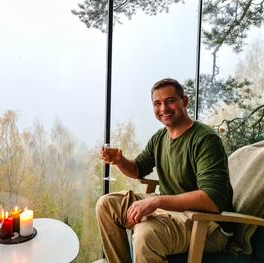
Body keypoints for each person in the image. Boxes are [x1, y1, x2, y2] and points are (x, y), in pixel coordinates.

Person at [96, 78, 234, 263]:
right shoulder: (160, 138)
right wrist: (120, 161)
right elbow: (138, 169)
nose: (163, 109)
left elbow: (212, 201)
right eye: (157, 103)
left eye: (170, 101)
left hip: (207, 224)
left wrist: (157, 201)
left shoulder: (205, 140)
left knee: (145, 236)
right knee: (106, 205)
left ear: (184, 101)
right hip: (171, 210)